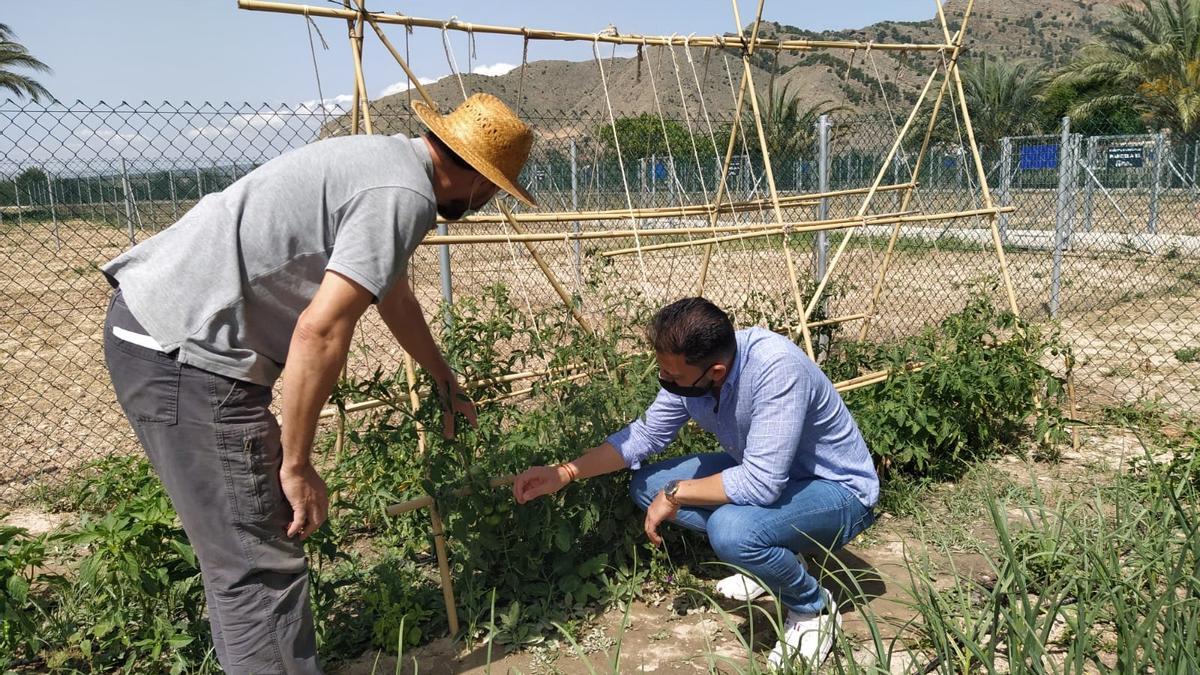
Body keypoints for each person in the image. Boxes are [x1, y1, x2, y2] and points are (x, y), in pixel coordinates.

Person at [101, 93, 535, 674]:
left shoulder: (385, 162)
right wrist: (298, 463)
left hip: (163, 333)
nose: (484, 204)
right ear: (480, 184)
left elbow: (394, 295)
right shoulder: (403, 197)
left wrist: (444, 378)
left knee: (241, 562)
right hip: (188, 357)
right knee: (258, 569)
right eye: (493, 194)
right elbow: (322, 330)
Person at [512, 297, 878, 667]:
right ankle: (776, 555)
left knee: (731, 529)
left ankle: (812, 608)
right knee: (647, 484)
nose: (665, 382)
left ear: (716, 372)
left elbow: (762, 484)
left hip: (837, 492)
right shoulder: (694, 374)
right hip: (775, 477)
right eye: (662, 372)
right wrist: (566, 473)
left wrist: (678, 493)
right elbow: (645, 436)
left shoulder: (776, 369)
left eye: (673, 377)